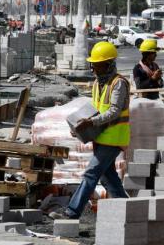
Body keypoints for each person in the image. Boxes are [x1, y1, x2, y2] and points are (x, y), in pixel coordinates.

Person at [51, 42, 130, 220]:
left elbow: (114, 111)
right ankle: (127, 208)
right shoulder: (97, 83)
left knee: (91, 173)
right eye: (92, 64)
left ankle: (72, 212)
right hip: (101, 137)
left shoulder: (119, 84)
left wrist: (90, 123)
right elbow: (94, 109)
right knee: (107, 177)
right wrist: (79, 129)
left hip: (114, 139)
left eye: (97, 64)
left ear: (109, 64)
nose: (93, 68)